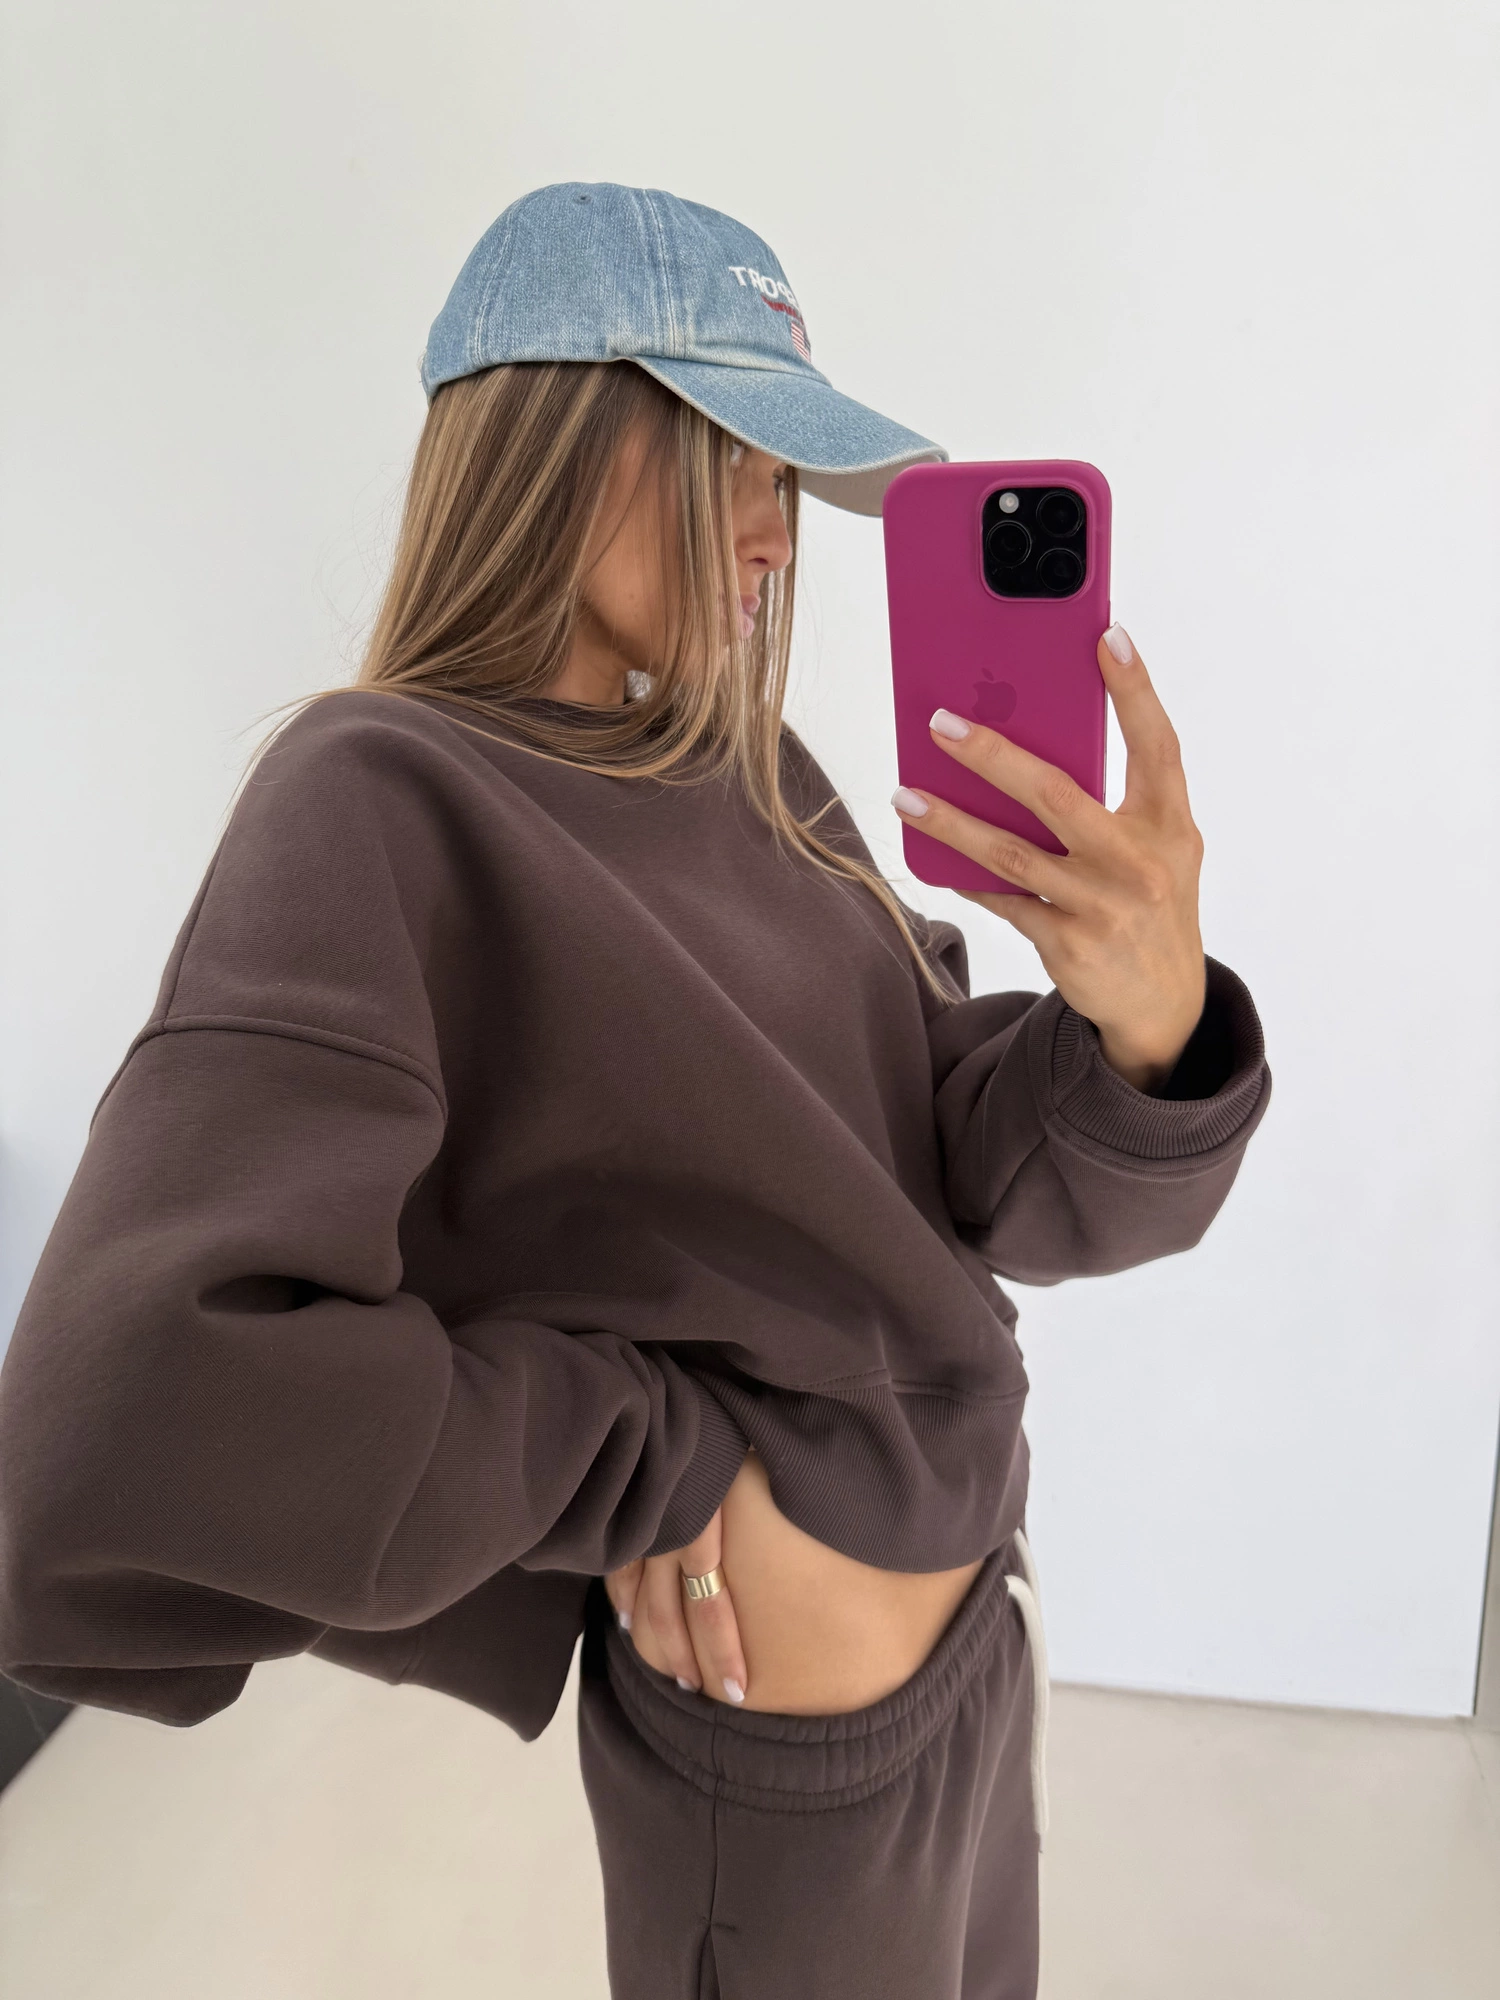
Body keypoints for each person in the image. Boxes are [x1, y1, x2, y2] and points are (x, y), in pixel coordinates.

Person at [0, 183, 1271, 1999]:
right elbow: (136, 1403)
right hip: (792, 1773)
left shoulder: (755, 776)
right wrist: (637, 1453)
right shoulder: (377, 793)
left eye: (786, 479)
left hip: (978, 1650)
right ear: (547, 437)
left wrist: (1142, 1024)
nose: (772, 533)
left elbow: (952, 1168)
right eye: (725, 454)